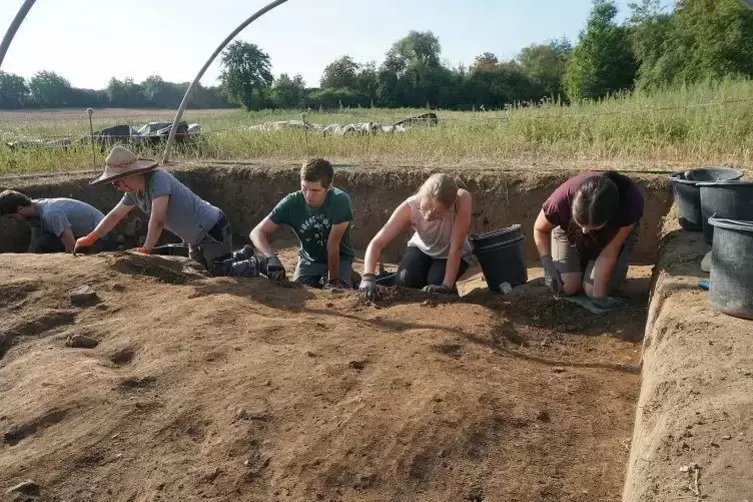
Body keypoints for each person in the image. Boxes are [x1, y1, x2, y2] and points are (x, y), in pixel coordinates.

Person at [73, 145, 254, 274]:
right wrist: (91, 237)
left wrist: (147, 248)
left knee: (219, 271)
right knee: (201, 270)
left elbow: (157, 218)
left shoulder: (158, 179)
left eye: (117, 181)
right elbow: (114, 216)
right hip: (195, 238)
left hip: (211, 229)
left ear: (131, 174)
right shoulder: (134, 192)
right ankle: (243, 254)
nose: (116, 186)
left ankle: (261, 263)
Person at [533, 170, 644, 305]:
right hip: (569, 231)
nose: (585, 231)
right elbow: (540, 229)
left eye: (593, 227)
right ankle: (582, 266)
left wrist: (599, 297)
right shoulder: (561, 200)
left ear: (609, 218)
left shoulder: (630, 204)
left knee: (592, 290)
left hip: (611, 239)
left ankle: (588, 269)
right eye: (581, 223)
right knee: (566, 286)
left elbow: (609, 252)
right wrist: (547, 263)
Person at [359, 173, 473, 301]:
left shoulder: (461, 200)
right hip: (422, 248)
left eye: (437, 214)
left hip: (450, 254)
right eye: (424, 208)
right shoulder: (410, 206)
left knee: (435, 282)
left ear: (449, 207)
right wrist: (368, 276)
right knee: (406, 279)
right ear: (421, 195)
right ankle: (392, 278)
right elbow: (377, 242)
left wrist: (446, 286)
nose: (427, 216)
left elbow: (456, 247)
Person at [250, 158, 355, 289]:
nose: (308, 195)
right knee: (298, 290)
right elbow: (257, 232)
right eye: (304, 188)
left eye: (315, 190)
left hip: (340, 258)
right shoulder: (292, 203)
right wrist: (270, 257)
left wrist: (333, 281)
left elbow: (333, 245)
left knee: (339, 291)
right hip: (309, 260)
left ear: (329, 186)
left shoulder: (340, 201)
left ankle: (349, 276)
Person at [0, 189, 116, 253]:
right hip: (82, 234)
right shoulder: (32, 212)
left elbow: (71, 246)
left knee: (43, 245)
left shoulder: (51, 213)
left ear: (20, 209)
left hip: (103, 237)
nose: (14, 220)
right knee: (40, 244)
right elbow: (35, 243)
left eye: (12, 217)